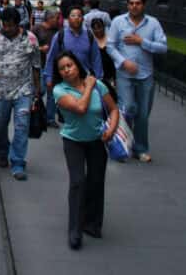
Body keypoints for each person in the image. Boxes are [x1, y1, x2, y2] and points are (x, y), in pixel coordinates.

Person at [52, 51, 119, 250]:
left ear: (78, 65)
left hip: (97, 140)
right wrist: (88, 87)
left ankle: (92, 223)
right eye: (62, 68)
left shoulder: (99, 85)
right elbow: (81, 108)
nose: (67, 70)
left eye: (70, 65)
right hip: (73, 141)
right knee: (78, 181)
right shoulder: (60, 90)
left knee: (97, 182)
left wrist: (112, 129)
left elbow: (114, 109)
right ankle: (75, 229)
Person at [106, 0, 168, 162]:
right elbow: (110, 46)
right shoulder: (118, 22)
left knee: (143, 114)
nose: (134, 6)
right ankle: (122, 144)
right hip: (124, 74)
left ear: (143, 5)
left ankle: (141, 148)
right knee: (127, 108)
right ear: (127, 5)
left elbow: (163, 47)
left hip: (145, 75)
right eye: (131, 3)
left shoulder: (153, 24)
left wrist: (142, 42)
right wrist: (123, 62)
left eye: (138, 3)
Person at [0, 6, 40, 181]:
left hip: (24, 90)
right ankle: (3, 152)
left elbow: (36, 65)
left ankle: (18, 162)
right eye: (4, 25)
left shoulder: (30, 39)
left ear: (17, 24)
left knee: (21, 126)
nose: (7, 29)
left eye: (10, 26)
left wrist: (37, 90)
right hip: (1, 90)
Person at [43, 6, 103, 106]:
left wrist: (98, 78)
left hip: (86, 79)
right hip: (65, 79)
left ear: (83, 19)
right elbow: (51, 58)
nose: (76, 18)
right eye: (73, 15)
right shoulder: (60, 35)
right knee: (69, 109)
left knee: (88, 106)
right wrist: (49, 78)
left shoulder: (89, 35)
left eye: (79, 16)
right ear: (68, 19)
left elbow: (96, 59)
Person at [89, 17, 116, 101]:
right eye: (95, 28)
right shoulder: (90, 41)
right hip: (97, 75)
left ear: (103, 27)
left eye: (99, 27)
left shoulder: (111, 40)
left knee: (113, 97)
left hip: (111, 74)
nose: (98, 31)